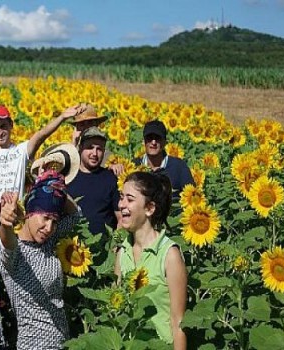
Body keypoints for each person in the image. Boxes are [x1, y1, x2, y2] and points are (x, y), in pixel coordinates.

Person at [0, 170, 78, 350]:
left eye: (54, 220)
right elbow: (7, 242)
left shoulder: (47, 242)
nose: (49, 227)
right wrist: (6, 222)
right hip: (33, 344)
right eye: (45, 218)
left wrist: (54, 180)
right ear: (30, 213)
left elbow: (75, 214)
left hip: (62, 342)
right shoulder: (16, 254)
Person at [114, 171, 187, 348]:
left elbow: (178, 323)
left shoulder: (169, 254)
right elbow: (116, 310)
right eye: (121, 197)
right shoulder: (122, 252)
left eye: (130, 199)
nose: (122, 204)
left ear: (149, 208)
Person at [0, 103, 86, 202]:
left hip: (14, 216)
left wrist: (62, 117)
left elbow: (41, 135)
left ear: (11, 125)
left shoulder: (21, 151)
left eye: (3, 126)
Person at [66, 127, 121, 235]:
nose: (94, 153)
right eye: (90, 147)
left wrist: (115, 246)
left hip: (105, 248)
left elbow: (121, 218)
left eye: (99, 149)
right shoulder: (68, 176)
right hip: (70, 246)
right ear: (80, 147)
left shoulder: (111, 178)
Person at [133, 120, 194, 202]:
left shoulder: (178, 167)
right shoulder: (134, 166)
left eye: (157, 138)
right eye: (149, 138)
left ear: (165, 142)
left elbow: (191, 195)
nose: (153, 142)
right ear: (143, 142)